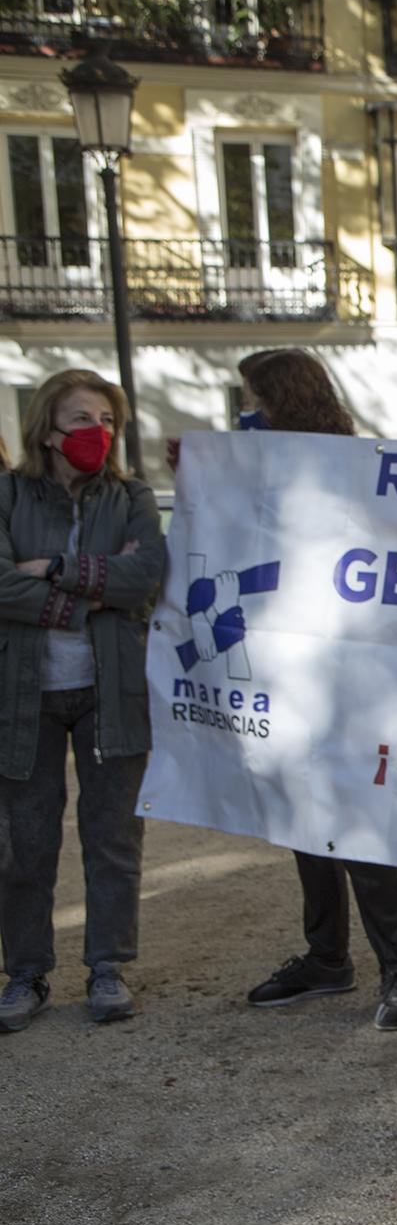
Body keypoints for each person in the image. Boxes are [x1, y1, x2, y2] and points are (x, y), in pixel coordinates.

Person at [215, 349, 397, 1032]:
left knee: (359, 820)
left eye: (252, 397)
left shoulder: (357, 469)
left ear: (279, 398)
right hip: (287, 670)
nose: (244, 410)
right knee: (305, 818)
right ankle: (326, 958)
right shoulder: (255, 468)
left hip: (354, 672)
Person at [0, 370, 167, 1031]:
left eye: (107, 421)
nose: (96, 433)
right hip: (22, 696)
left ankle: (107, 967)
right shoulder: (8, 495)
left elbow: (145, 574)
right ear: (46, 429)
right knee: (21, 845)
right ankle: (27, 975)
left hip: (112, 692)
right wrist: (96, 593)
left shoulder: (130, 498)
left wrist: (50, 572)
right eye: (80, 420)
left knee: (113, 840)